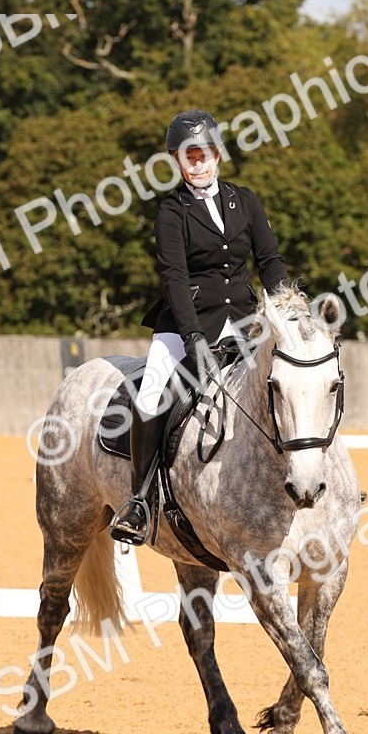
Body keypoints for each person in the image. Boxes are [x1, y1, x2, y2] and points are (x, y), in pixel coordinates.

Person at [110, 108, 288, 545]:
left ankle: (316, 479)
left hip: (244, 319)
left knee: (290, 381)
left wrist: (287, 311)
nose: (198, 163)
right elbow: (174, 277)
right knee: (152, 392)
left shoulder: (245, 201)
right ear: (178, 160)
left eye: (205, 154)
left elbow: (268, 261)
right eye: (189, 156)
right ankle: (139, 500)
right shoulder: (171, 211)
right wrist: (192, 338)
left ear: (218, 155)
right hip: (185, 321)